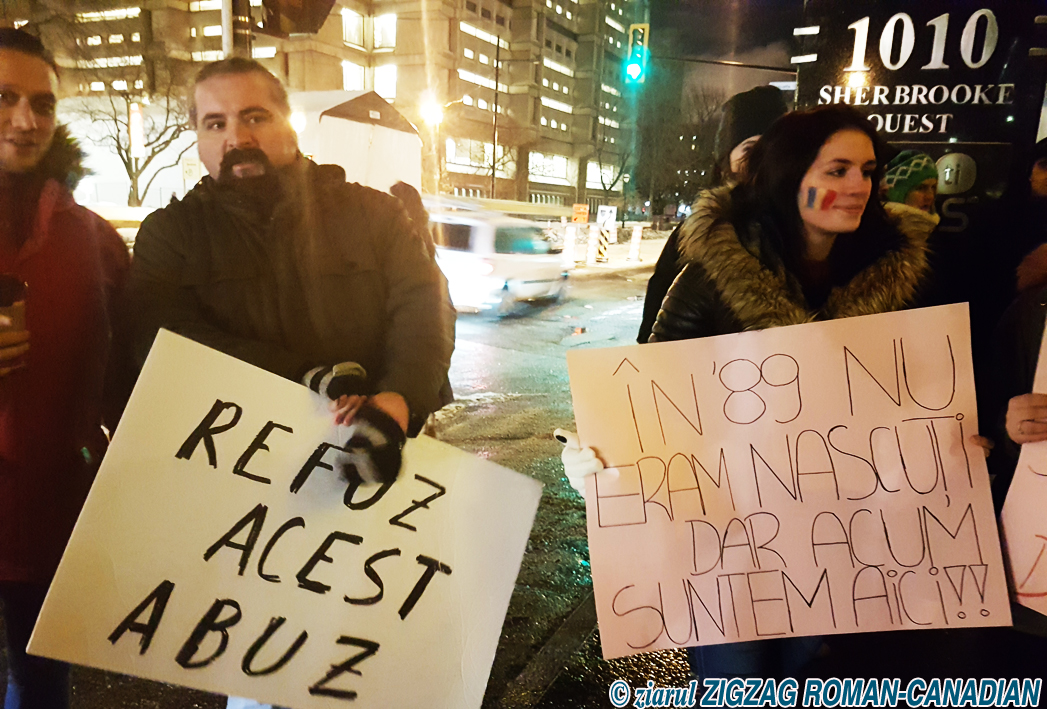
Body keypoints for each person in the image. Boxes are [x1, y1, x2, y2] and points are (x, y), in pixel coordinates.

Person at [563, 105, 939, 682]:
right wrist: (596, 457)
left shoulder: (899, 276)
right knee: (738, 683)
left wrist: (953, 441)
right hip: (726, 542)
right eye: (837, 170)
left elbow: (920, 395)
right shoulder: (715, 277)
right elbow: (647, 396)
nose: (859, 186)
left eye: (868, 170)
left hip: (840, 544)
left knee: (810, 677)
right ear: (793, 176)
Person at [124, 57, 454, 709]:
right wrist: (306, 379)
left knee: (373, 678)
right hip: (251, 517)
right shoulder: (170, 237)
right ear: (195, 134)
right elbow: (161, 341)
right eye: (215, 122)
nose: (236, 137)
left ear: (289, 123)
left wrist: (398, 397)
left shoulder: (374, 215)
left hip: (376, 490)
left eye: (254, 116)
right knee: (259, 683)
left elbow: (424, 304)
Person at [0, 27, 130, 708]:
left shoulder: (91, 239)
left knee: (41, 685)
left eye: (41, 103)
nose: (26, 120)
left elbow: (137, 369)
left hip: (47, 515)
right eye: (3, 96)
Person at [636, 85, 788, 344]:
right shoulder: (695, 234)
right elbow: (657, 313)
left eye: (772, 149)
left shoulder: (807, 226)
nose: (763, 161)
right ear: (725, 162)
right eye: (750, 150)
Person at [879, 149, 940, 215]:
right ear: (897, 191)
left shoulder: (930, 223)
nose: (930, 197)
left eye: (933, 187)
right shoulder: (876, 224)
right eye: (921, 188)